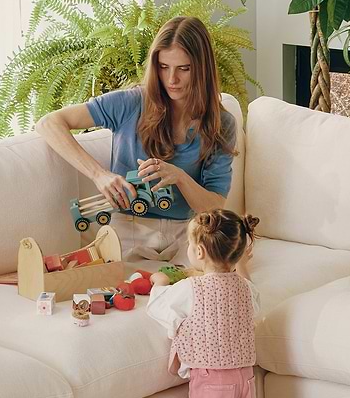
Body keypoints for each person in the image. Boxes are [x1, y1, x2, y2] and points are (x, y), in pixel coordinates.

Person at [36, 15, 237, 263]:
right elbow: (49, 123)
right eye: (163, 67)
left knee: (207, 281)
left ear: (202, 69)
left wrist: (179, 177)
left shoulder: (221, 124)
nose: (172, 79)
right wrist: (99, 175)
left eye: (184, 69)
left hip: (188, 234)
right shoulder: (130, 103)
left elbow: (214, 207)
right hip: (128, 227)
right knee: (120, 284)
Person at [146, 210, 264, 398]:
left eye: (189, 244)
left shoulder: (192, 288)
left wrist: (160, 283)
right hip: (245, 377)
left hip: (212, 380)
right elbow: (255, 307)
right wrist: (242, 266)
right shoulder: (245, 288)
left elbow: (158, 307)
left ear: (199, 252)